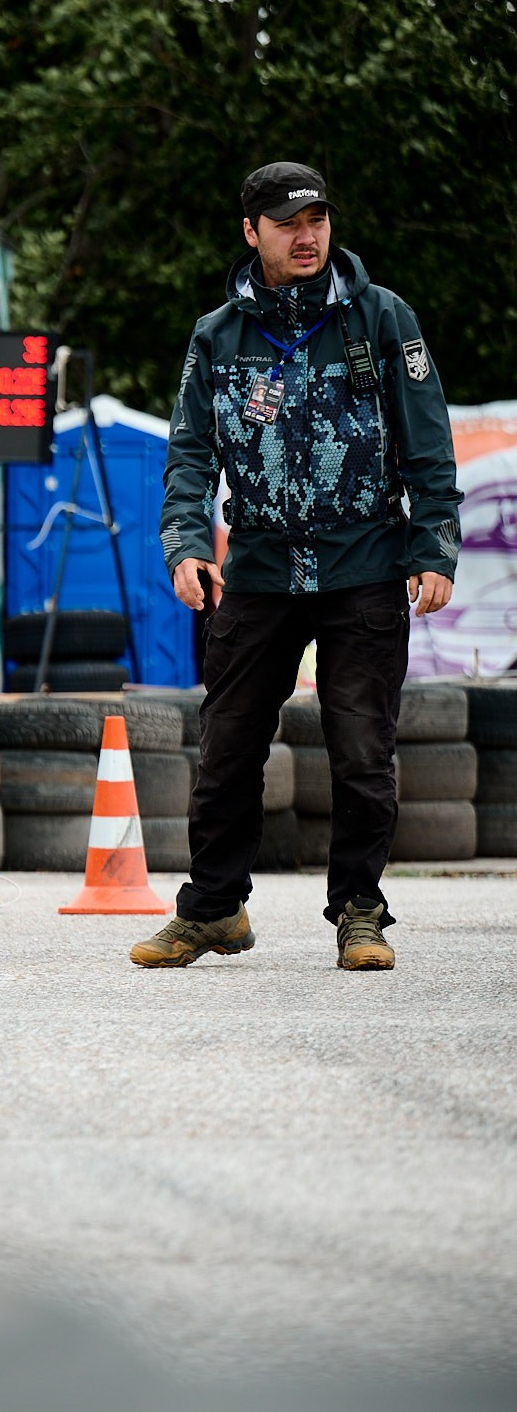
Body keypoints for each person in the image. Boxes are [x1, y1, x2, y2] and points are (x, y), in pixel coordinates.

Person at [134, 162, 459, 973]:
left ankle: (360, 911)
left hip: (366, 565)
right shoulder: (216, 335)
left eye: (316, 218)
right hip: (259, 570)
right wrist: (184, 545)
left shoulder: (383, 320)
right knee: (229, 746)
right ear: (252, 233)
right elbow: (189, 457)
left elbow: (428, 446)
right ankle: (212, 910)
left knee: (360, 749)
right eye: (286, 223)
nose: (306, 235)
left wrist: (434, 548)